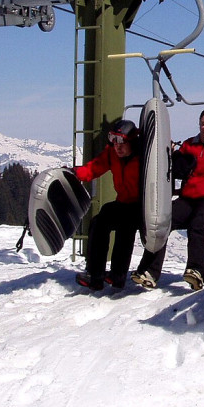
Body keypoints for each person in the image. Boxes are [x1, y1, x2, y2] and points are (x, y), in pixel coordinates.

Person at [133, 106, 204, 291]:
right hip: (188, 197)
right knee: (162, 221)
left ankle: (197, 270)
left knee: (198, 224)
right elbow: (176, 166)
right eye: (203, 124)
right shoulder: (190, 144)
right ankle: (149, 271)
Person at [72, 119, 142, 291]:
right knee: (100, 221)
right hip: (123, 201)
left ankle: (118, 275)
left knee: (126, 227)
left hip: (140, 205)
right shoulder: (112, 154)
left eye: (121, 142)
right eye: (113, 140)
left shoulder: (143, 156)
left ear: (131, 141)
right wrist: (75, 174)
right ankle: (95, 274)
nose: (117, 146)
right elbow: (95, 167)